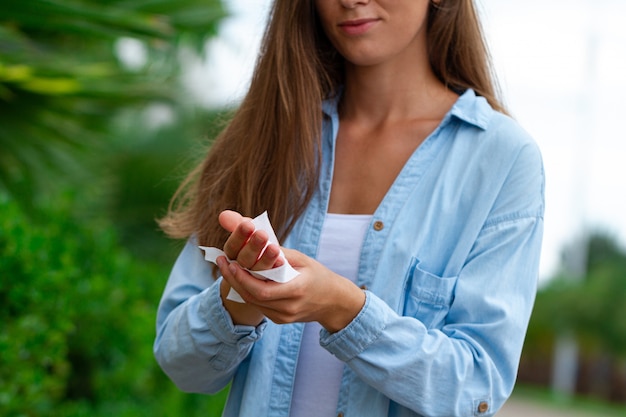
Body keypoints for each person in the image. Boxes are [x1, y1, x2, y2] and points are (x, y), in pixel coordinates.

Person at [154, 0, 545, 416]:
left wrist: (343, 308)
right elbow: (182, 367)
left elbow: (476, 388)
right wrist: (242, 298)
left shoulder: (501, 158)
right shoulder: (265, 137)